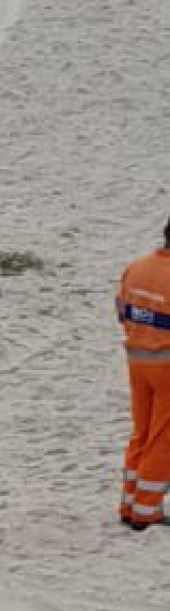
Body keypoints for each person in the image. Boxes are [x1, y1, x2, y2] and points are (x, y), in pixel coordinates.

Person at [117, 212, 170, 530]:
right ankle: (146, 511)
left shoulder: (137, 267)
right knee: (163, 438)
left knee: (142, 431)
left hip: (137, 362)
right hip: (167, 367)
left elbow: (122, 313)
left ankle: (128, 503)